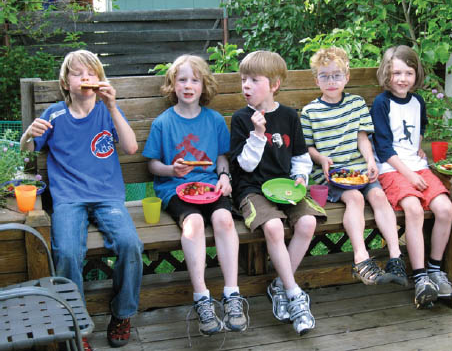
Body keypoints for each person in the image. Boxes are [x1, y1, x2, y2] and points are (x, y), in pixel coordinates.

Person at [20, 50, 143, 350]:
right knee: (67, 253)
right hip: (68, 199)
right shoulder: (54, 115)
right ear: (65, 82)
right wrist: (27, 134)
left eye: (92, 72)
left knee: (130, 245)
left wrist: (113, 107)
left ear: (101, 81)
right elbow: (26, 151)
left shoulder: (107, 111)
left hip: (107, 197)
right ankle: (75, 322)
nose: (85, 78)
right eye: (77, 73)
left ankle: (123, 313)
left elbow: (130, 147)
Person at [142, 55, 248, 336]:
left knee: (225, 219)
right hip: (175, 189)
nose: (188, 85)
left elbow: (222, 157)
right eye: (182, 79)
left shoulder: (213, 120)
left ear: (203, 86)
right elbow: (152, 164)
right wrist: (170, 170)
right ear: (172, 85)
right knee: (195, 225)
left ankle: (231, 294)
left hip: (209, 186)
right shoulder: (163, 123)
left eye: (195, 80)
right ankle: (202, 297)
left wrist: (224, 176)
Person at [230, 50, 326, 335]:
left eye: (253, 80)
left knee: (308, 222)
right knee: (273, 226)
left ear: (274, 84)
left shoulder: (288, 116)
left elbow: (300, 156)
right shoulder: (241, 119)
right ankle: (294, 294)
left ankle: (278, 285)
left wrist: (299, 176)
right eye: (243, 79)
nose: (246, 85)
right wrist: (257, 136)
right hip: (251, 189)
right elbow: (244, 165)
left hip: (285, 186)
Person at [300, 47, 408, 287]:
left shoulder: (356, 103)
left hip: (359, 169)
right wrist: (321, 159)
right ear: (316, 79)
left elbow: (362, 138)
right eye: (324, 76)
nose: (331, 81)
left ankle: (395, 257)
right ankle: (361, 258)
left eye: (336, 75)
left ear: (346, 77)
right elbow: (308, 147)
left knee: (379, 196)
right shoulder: (309, 112)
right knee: (355, 199)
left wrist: (370, 160)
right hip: (330, 174)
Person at [370, 45, 452, 309]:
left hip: (418, 166)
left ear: (416, 75)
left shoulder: (418, 101)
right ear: (387, 74)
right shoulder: (382, 103)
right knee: (414, 210)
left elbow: (422, 126)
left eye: (408, 72)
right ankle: (420, 277)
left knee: (445, 208)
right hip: (393, 169)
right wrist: (409, 173)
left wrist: (419, 145)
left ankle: (435, 269)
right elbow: (383, 149)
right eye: (396, 73)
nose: (403, 78)